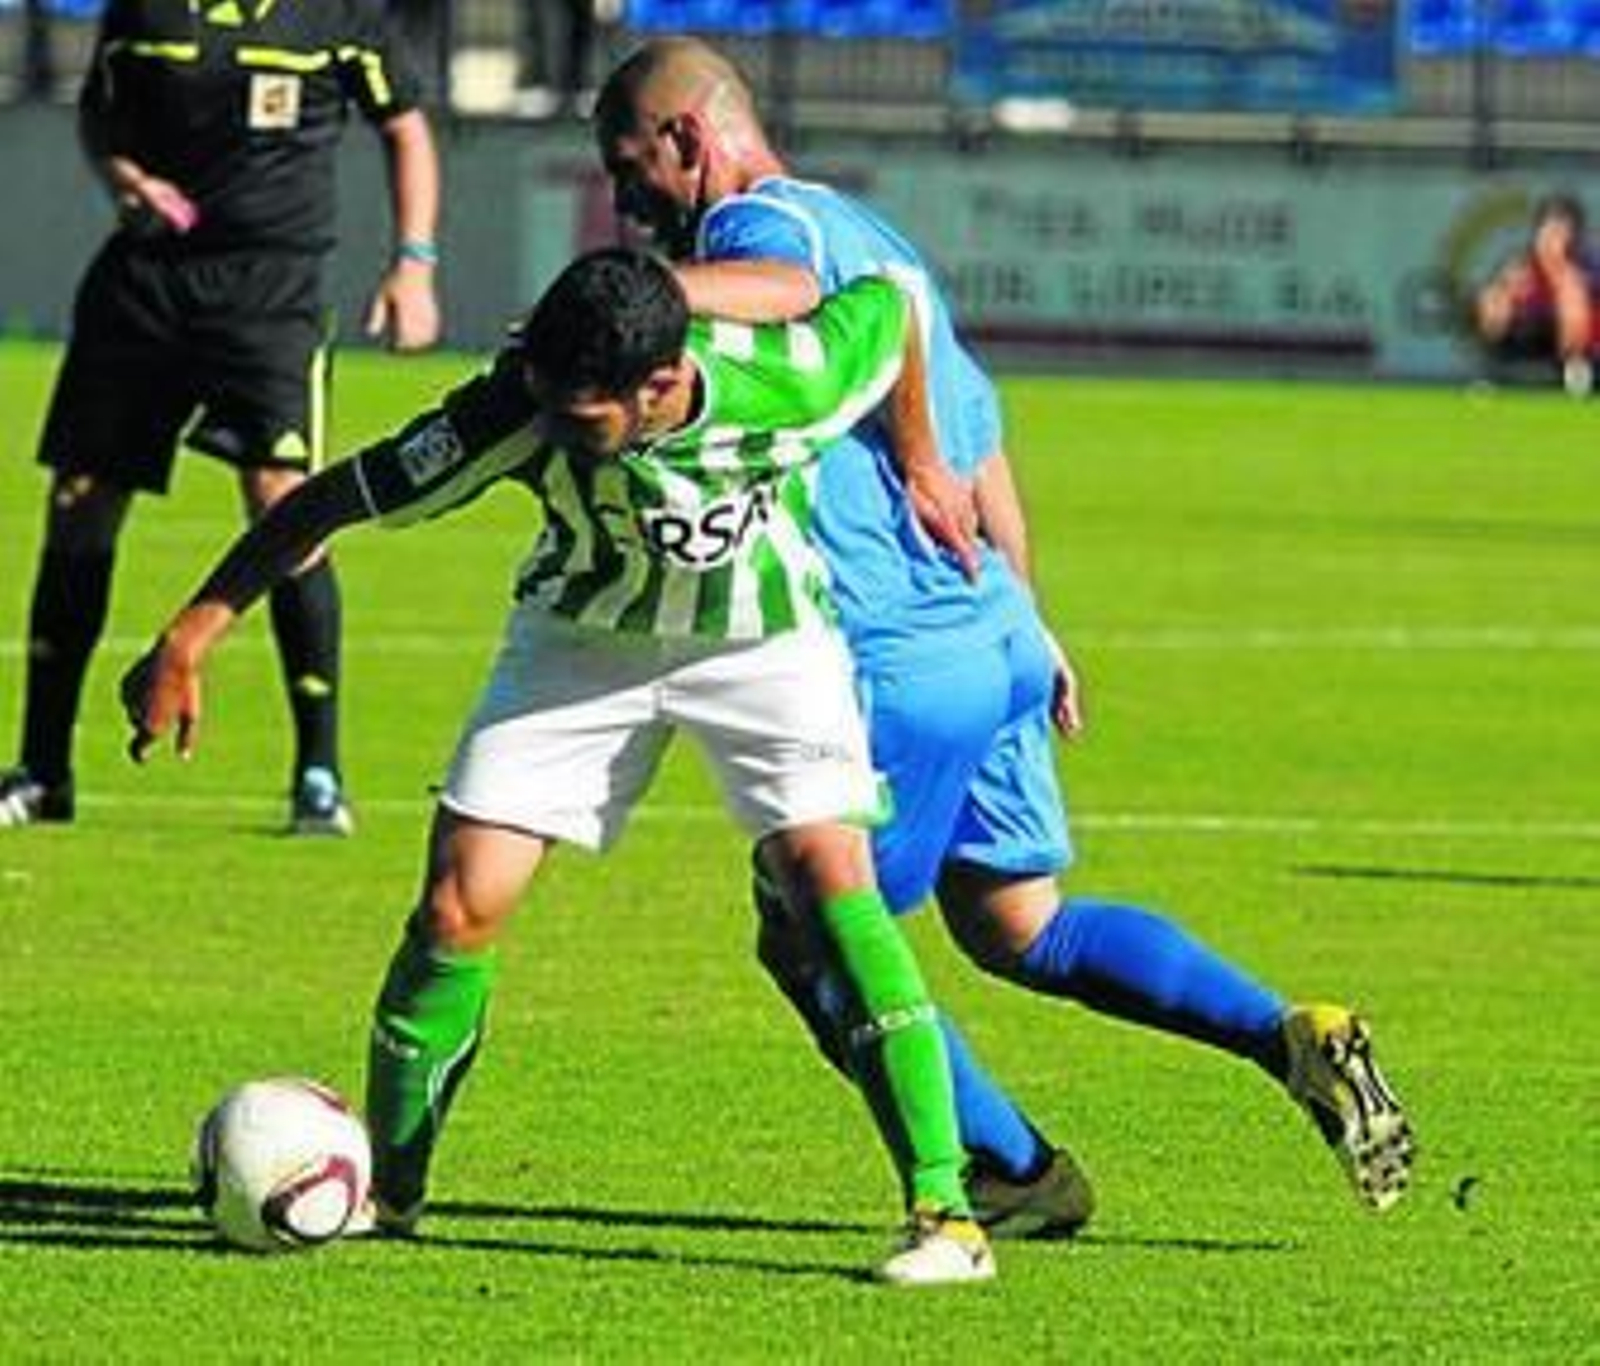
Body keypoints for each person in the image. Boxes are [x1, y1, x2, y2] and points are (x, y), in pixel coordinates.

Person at [593, 37, 1416, 1232]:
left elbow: (789, 301)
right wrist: (1029, 623)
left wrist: (611, 310)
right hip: (989, 637)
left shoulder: (760, 233)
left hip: (888, 659)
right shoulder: (869, 232)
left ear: (688, 140)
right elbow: (978, 451)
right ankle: (1291, 1033)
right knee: (1021, 923)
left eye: (629, 167)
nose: (624, 200)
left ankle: (1012, 1174)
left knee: (811, 934)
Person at [121, 248, 999, 1287]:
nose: (554, 421)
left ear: (663, 383)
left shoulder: (791, 379)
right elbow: (329, 500)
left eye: (584, 417)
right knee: (457, 907)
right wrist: (189, 633)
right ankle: (391, 1195)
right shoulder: (520, 405)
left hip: (766, 645)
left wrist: (922, 460)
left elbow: (890, 303)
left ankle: (947, 1214)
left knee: (830, 885)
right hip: (578, 645)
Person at [0, 0, 442, 836]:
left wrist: (412, 263)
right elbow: (101, 109)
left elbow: (406, 126)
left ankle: (319, 774)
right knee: (80, 501)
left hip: (271, 290)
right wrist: (123, 177)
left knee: (286, 501)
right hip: (147, 282)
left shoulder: (334, 15)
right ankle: (43, 768)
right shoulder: (144, 7)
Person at [1475, 193, 1600, 397]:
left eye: (1561, 228)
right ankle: (1491, 373)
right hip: (1540, 335)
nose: (1552, 235)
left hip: (1589, 349)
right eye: (1548, 227)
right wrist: (1502, 297)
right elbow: (1500, 295)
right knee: (1492, 300)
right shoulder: (1524, 263)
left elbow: (1577, 311)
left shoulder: (1588, 261)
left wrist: (1557, 267)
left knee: (1572, 307)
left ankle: (1575, 372)